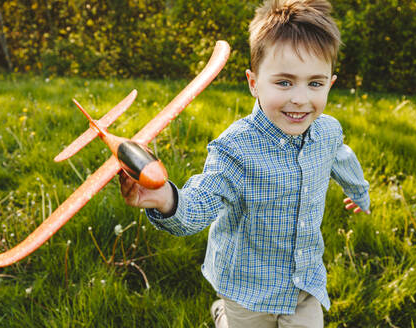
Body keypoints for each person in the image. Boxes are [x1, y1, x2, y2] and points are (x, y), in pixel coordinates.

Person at [119, 0, 370, 326]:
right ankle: (223, 316)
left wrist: (359, 191)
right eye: (284, 82)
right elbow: (200, 203)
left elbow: (341, 155)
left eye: (315, 83)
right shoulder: (234, 148)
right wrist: (167, 199)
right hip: (246, 287)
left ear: (330, 84)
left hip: (304, 283)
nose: (300, 98)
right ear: (254, 83)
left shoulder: (327, 130)